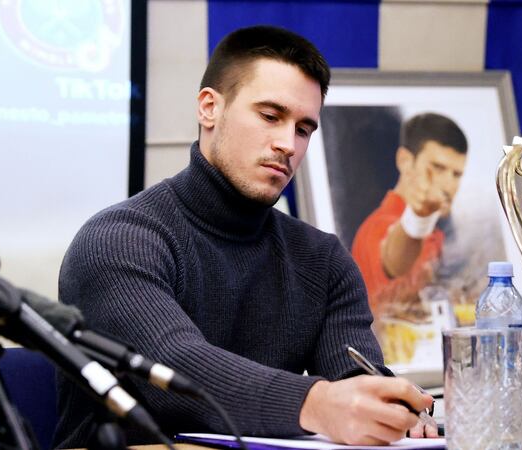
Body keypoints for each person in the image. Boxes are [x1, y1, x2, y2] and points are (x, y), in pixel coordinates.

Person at [54, 25, 434, 448]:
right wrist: (318, 403)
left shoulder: (323, 260)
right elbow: (175, 364)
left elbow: (353, 376)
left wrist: (387, 408)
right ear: (209, 108)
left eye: (304, 129)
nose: (288, 144)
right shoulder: (117, 241)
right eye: (271, 116)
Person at [351, 114, 468, 363]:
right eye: (437, 168)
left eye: (456, 174)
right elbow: (394, 262)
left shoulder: (437, 235)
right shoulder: (379, 228)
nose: (447, 184)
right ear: (405, 161)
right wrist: (419, 215)